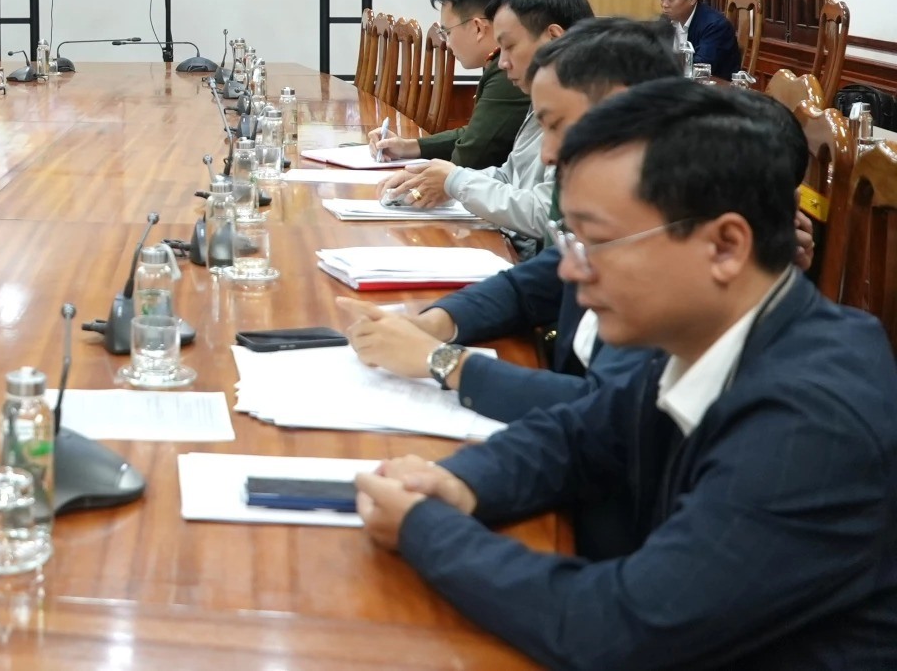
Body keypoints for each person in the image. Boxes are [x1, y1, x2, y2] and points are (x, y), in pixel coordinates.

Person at [355, 81, 897, 669]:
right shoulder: (708, 330)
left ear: (725, 247)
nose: (569, 271)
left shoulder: (813, 422)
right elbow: (578, 435)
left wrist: (424, 528)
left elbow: (618, 629)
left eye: (598, 242)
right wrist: (459, 484)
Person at [341, 18, 681, 425]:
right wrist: (431, 324)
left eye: (556, 126)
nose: (548, 155)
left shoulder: (676, 229)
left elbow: (609, 410)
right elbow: (528, 287)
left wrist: (441, 361)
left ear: (619, 107)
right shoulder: (612, 205)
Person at [378, 0, 593, 243]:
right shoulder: (544, 94)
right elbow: (509, 174)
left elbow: (546, 215)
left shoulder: (589, 109)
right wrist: (445, 182)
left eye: (509, 47)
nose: (502, 63)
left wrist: (456, 182)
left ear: (554, 38)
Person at [372, 0, 525, 169]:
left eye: (447, 33)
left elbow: (470, 158)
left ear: (478, 28)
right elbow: (476, 134)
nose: (448, 44)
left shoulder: (508, 69)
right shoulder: (500, 63)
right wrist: (409, 146)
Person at [658, 0, 741, 79]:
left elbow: (700, 67)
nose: (664, 4)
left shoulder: (715, 26)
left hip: (713, 86)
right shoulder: (666, 19)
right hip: (677, 82)